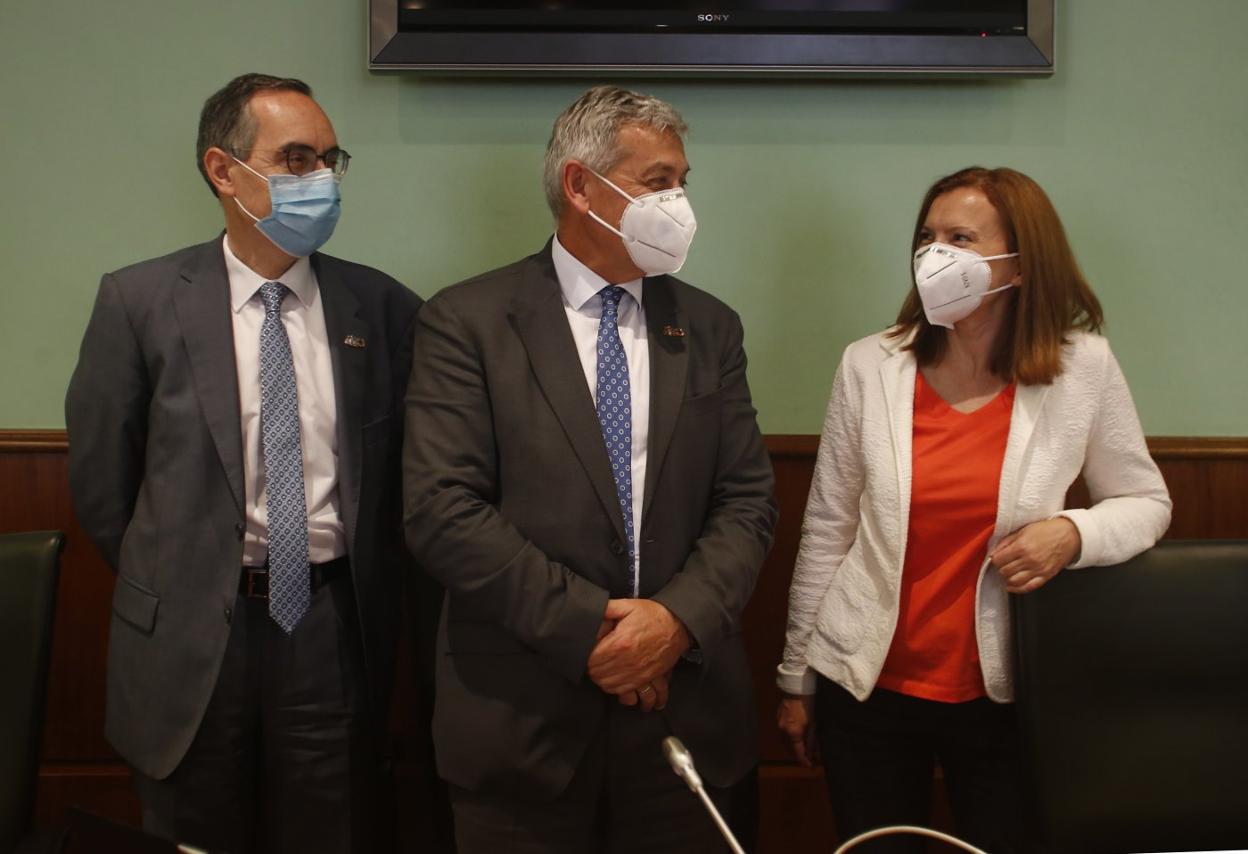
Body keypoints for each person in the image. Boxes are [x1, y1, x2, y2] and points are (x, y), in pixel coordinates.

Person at [403, 84, 778, 853]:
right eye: (658, 181)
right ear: (581, 186)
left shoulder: (709, 327)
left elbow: (746, 502)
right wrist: (593, 633)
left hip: (685, 722)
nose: (679, 202)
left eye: (683, 182)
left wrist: (672, 624)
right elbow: (443, 510)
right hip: (521, 731)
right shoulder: (466, 322)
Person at [65, 73, 422, 854]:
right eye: (295, 159)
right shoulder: (139, 301)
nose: (319, 180)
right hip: (191, 633)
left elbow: (401, 485)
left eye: (331, 159)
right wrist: (180, 574)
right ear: (224, 170)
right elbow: (103, 486)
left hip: (331, 630)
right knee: (194, 835)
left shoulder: (386, 308)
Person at [776, 166, 1172, 853]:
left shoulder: (1084, 368)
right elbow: (827, 528)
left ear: (1021, 261)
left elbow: (1146, 502)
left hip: (1005, 693)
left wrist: (1071, 533)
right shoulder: (871, 364)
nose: (936, 255)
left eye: (961, 238)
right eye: (927, 237)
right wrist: (795, 677)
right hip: (865, 686)